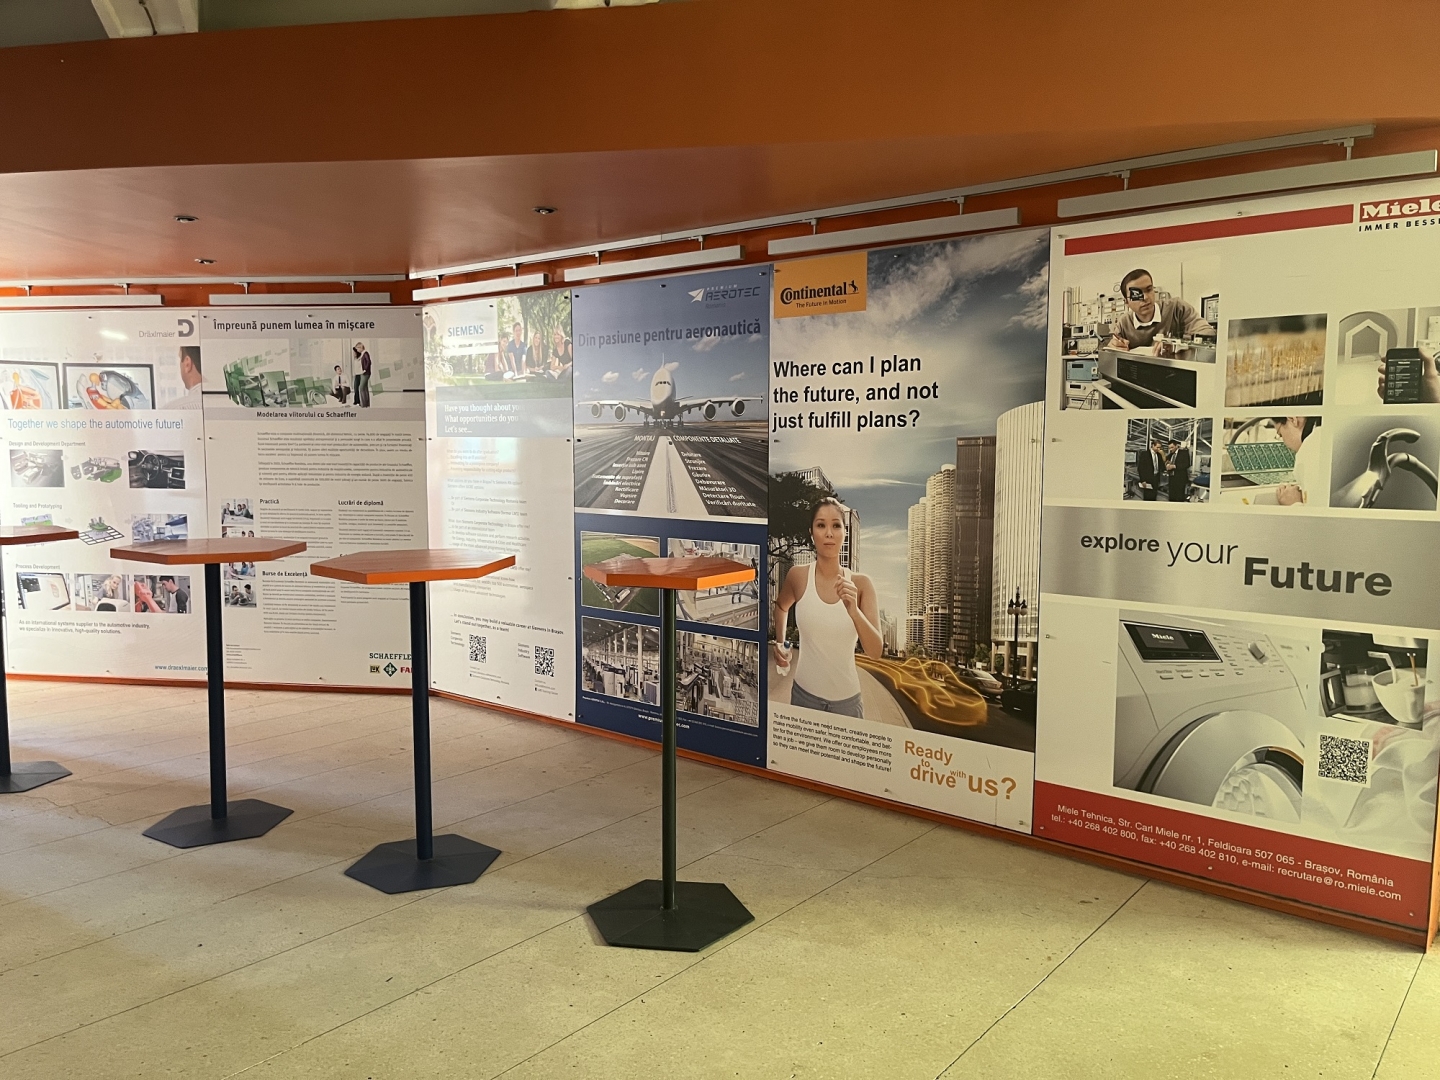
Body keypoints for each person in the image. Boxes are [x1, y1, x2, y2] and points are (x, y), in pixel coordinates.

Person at [771, 497, 882, 718]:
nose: (829, 533)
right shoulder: (797, 576)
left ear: (845, 533)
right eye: (821, 525)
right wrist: (780, 643)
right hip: (804, 698)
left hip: (847, 705)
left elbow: (876, 652)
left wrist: (854, 611)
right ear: (811, 533)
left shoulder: (862, 584)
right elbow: (781, 607)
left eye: (836, 525)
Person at [1106, 269, 1216, 353]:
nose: (1145, 297)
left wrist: (1177, 344)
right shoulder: (1124, 323)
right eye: (1136, 294)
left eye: (1149, 290)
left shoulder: (1177, 308)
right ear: (1126, 302)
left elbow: (1208, 333)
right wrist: (1113, 348)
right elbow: (1113, 349)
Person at [1271, 415, 1322, 506]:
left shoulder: (1310, 450)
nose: (1284, 443)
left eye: (1280, 434)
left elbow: (1314, 513)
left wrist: (1294, 503)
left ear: (1292, 419)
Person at [1166, 438, 1191, 503]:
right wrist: (1167, 465)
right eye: (1169, 448)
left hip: (1180, 479)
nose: (1170, 449)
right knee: (1171, 497)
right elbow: (1166, 461)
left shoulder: (1184, 453)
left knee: (1179, 497)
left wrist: (1174, 466)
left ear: (1176, 446)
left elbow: (1187, 464)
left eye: (1172, 447)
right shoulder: (1170, 455)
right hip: (1172, 478)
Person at [352, 342, 372, 407]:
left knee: (361, 388)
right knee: (365, 388)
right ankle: (366, 404)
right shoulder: (363, 354)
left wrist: (365, 369)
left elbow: (369, 362)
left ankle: (363, 404)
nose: (357, 350)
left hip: (365, 373)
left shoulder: (365, 353)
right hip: (363, 373)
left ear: (360, 347)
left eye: (357, 349)